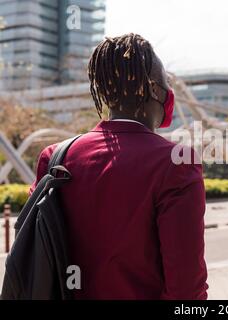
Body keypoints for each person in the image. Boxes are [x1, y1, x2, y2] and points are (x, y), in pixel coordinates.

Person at [30, 33, 208, 300]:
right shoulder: (177, 163)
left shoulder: (55, 157)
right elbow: (186, 289)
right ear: (155, 92)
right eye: (166, 83)